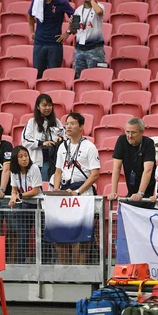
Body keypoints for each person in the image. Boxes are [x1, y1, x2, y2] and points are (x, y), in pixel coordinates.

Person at [53, 113, 99, 265]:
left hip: (82, 192)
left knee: (82, 235)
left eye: (73, 123)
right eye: (67, 123)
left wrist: (78, 191)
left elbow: (95, 174)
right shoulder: (62, 146)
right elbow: (58, 170)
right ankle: (64, 271)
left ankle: (80, 272)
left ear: (81, 127)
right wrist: (56, 191)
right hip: (64, 192)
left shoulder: (89, 147)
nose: (68, 126)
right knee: (62, 234)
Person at [28, 0, 75, 78]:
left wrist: (67, 32)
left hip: (54, 44)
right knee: (38, 74)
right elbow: (30, 15)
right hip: (39, 43)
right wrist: (32, 31)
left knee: (54, 75)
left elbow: (75, 17)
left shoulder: (61, 2)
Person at [107, 118, 156, 203]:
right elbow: (116, 168)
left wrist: (140, 193)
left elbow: (148, 170)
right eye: (127, 132)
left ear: (142, 132)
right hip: (131, 191)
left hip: (147, 193)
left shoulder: (148, 143)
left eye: (133, 132)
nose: (129, 136)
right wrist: (113, 192)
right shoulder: (122, 140)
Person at [8, 146, 43, 264]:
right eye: (21, 156)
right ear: (15, 159)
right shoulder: (14, 172)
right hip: (26, 205)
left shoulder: (34, 168)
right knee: (23, 236)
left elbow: (35, 191)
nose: (24, 159)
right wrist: (13, 196)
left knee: (41, 236)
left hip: (39, 206)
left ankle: (44, 264)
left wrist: (19, 196)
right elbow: (14, 189)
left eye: (26, 155)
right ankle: (20, 265)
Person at [21, 94, 64, 181]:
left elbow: (65, 137)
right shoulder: (32, 122)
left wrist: (61, 140)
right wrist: (42, 143)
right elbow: (25, 140)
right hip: (37, 161)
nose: (48, 108)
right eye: (44, 105)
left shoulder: (57, 122)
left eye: (50, 105)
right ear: (38, 107)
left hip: (53, 160)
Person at [71, 0, 105, 79]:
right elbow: (74, 31)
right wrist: (70, 26)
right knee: (79, 78)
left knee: (95, 78)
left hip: (94, 49)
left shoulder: (99, 6)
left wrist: (91, 0)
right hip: (79, 50)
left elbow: (99, 12)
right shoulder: (78, 10)